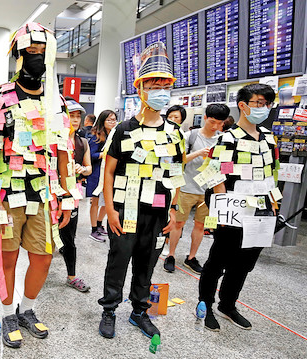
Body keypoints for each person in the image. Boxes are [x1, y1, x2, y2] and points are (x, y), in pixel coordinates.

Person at [0, 22, 75, 349]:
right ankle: (7, 314)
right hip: (7, 194)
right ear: (18, 56)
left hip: (44, 195)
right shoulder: (2, 98)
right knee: (8, 258)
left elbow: (63, 150)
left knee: (44, 256)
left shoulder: (55, 102)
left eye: (41, 53)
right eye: (29, 52)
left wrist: (66, 193)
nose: (35, 58)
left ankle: (27, 309)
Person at [98, 42, 184, 340]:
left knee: (147, 262)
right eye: (153, 84)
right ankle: (109, 309)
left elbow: (175, 173)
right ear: (140, 89)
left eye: (165, 85)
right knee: (119, 259)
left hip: (158, 209)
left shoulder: (174, 133)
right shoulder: (122, 129)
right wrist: (109, 209)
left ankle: (139, 311)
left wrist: (173, 210)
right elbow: (108, 172)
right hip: (125, 208)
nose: (160, 90)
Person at [198, 84, 278, 332]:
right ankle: (206, 304)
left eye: (267, 103)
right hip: (233, 211)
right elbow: (214, 174)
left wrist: (273, 203)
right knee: (218, 261)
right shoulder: (228, 138)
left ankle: (228, 304)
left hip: (260, 211)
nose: (263, 108)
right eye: (258, 103)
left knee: (244, 263)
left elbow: (271, 173)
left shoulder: (268, 138)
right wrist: (221, 210)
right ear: (243, 105)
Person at [164, 104, 230, 274]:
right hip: (186, 187)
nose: (215, 126)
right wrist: (199, 153)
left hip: (208, 191)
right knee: (178, 223)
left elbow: (227, 167)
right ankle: (170, 255)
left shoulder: (223, 140)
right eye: (212, 122)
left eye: (219, 123)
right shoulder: (190, 136)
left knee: (201, 226)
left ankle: (191, 257)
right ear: (205, 118)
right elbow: (178, 160)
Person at [59, 99, 92, 292]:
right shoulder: (54, 141)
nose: (76, 119)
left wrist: (82, 168)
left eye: (78, 116)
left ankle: (72, 275)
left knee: (69, 236)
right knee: (49, 234)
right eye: (72, 115)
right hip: (54, 193)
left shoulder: (83, 142)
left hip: (73, 194)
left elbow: (89, 168)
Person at [87, 110, 116, 242]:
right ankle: (93, 229)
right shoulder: (96, 136)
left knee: (108, 201)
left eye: (114, 119)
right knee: (96, 202)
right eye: (109, 120)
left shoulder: (115, 135)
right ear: (102, 121)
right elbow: (89, 156)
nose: (112, 122)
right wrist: (103, 155)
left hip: (110, 174)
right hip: (97, 174)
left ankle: (99, 224)